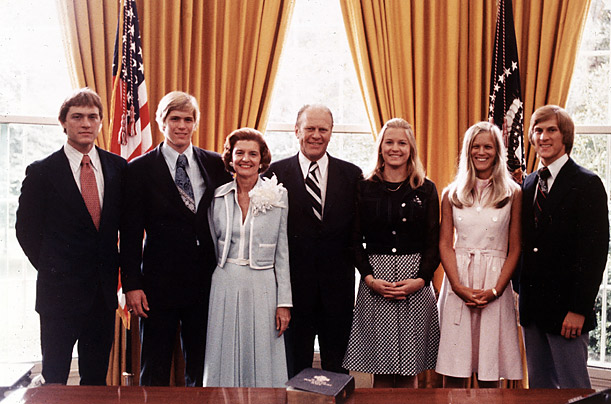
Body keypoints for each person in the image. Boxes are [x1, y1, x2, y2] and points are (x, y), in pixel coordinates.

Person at [15, 88, 127, 385]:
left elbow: (125, 229)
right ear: (63, 122)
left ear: (101, 122)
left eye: (93, 117)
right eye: (77, 117)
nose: (86, 123)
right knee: (55, 379)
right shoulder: (42, 171)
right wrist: (54, 267)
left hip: (102, 296)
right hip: (58, 295)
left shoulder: (118, 168)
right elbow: (26, 230)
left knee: (95, 381)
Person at [120, 91, 232, 386]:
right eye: (175, 119)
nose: (182, 126)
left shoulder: (216, 164)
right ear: (161, 122)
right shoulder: (139, 169)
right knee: (154, 368)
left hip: (205, 283)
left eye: (188, 119)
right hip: (157, 286)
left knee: (202, 368)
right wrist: (132, 285)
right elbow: (130, 234)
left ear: (195, 123)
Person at [342, 118, 440, 388]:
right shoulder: (364, 186)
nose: (395, 148)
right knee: (381, 370)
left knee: (410, 370)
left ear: (411, 149)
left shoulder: (426, 188)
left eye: (402, 143)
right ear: (380, 147)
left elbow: (434, 241)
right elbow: (354, 239)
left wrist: (421, 280)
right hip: (376, 281)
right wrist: (369, 278)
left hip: (415, 282)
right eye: (389, 142)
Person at [265, 104, 362, 376]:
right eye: (310, 128)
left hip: (338, 292)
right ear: (297, 131)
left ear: (331, 132)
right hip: (294, 294)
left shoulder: (352, 175)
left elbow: (357, 233)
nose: (316, 135)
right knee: (294, 371)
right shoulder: (274, 175)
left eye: (323, 129)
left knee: (338, 373)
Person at [520, 105, 609, 388]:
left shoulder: (587, 183)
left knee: (574, 389)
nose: (543, 137)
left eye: (551, 130)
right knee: (539, 390)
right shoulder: (529, 184)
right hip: (532, 310)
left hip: (567, 312)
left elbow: (595, 254)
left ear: (565, 136)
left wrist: (579, 309)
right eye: (538, 130)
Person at [435, 121, 523, 387]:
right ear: (467, 150)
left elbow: (515, 248)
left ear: (497, 152)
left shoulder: (513, 193)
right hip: (459, 283)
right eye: (476, 146)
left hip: (495, 284)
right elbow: (445, 244)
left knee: (489, 369)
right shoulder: (451, 193)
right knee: (454, 368)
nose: (481, 152)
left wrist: (496, 290)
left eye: (488, 147)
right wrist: (457, 286)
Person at [203, 128, 291, 387]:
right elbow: (211, 244)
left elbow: (282, 253)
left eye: (253, 154)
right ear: (230, 158)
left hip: (263, 285)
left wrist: (284, 303)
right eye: (239, 153)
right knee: (223, 349)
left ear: (262, 159)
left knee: (262, 350)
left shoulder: (278, 195)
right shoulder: (218, 196)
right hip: (225, 282)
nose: (246, 159)